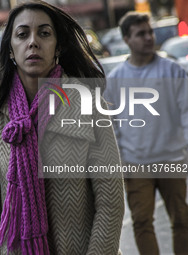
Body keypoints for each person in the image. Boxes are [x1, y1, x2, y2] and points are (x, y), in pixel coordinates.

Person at [0, 1, 124, 254]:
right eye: (22, 35)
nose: (33, 42)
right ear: (10, 48)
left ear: (58, 46)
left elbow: (111, 202)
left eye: (44, 33)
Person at [104, 11, 188, 255]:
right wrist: (120, 161)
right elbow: (112, 126)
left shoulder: (173, 71)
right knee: (141, 223)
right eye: (141, 34)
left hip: (172, 159)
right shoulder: (117, 79)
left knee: (182, 220)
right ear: (127, 39)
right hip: (136, 164)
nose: (149, 38)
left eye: (149, 32)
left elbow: (186, 113)